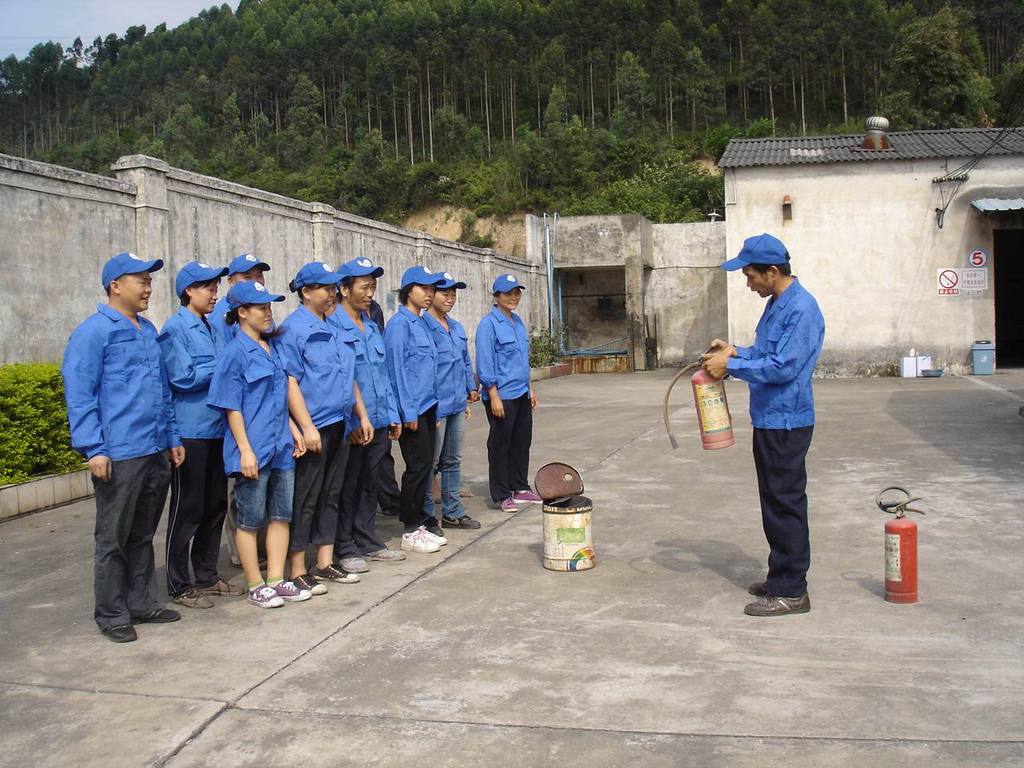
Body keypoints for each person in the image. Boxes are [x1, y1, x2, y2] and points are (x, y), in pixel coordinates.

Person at [62, 251, 185, 643]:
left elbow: (162, 392)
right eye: (141, 280)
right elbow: (80, 394)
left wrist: (171, 438)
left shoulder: (147, 330)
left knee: (142, 533)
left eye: (149, 281)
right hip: (119, 452)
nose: (148, 287)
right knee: (112, 536)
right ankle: (112, 613)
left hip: (153, 449)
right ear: (115, 286)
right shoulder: (93, 333)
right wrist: (94, 448)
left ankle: (142, 602)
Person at [701, 233, 825, 617]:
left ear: (772, 272)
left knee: (785, 502)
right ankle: (780, 577)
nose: (748, 282)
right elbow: (769, 353)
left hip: (787, 420)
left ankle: (792, 590)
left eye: (751, 275)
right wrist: (736, 352)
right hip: (770, 418)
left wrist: (731, 367)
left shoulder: (801, 309)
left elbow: (783, 367)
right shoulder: (777, 303)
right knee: (774, 501)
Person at [207, 280, 313, 609]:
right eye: (261, 308)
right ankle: (256, 583)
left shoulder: (273, 348)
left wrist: (294, 429)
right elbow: (231, 405)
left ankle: (277, 579)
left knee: (281, 515)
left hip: (280, 444)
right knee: (250, 519)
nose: (268, 313)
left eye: (270, 307)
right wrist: (245, 449)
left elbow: (279, 396)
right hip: (253, 447)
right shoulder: (234, 353)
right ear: (242, 313)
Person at [277, 262, 372, 593]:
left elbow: (350, 375)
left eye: (333, 287)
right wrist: (306, 427)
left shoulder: (336, 326)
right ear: (305, 292)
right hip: (315, 426)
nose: (331, 293)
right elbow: (290, 382)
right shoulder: (293, 330)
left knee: (332, 492)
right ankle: (298, 567)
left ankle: (325, 561)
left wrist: (362, 415)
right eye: (324, 288)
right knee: (306, 497)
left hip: (341, 421)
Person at [158, 260, 244, 610]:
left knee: (215, 505)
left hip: (216, 429)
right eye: (208, 287)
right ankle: (179, 583)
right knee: (187, 507)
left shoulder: (212, 327)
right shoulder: (174, 328)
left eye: (215, 287)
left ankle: (207, 576)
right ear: (188, 291)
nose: (214, 294)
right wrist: (221, 367)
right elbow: (182, 377)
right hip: (191, 431)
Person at [331, 257, 407, 569]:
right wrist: (353, 418)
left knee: (369, 483)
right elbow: (341, 378)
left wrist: (391, 414)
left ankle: (367, 538)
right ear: (344, 290)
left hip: (377, 419)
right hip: (351, 423)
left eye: (373, 287)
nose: (370, 293)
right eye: (364, 287)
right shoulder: (334, 326)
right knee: (347, 485)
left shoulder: (373, 327)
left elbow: (383, 374)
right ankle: (344, 546)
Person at [213, 253, 272, 566]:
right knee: (240, 491)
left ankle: (260, 550)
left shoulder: (260, 315)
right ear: (232, 281)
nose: (256, 280)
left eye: (259, 275)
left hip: (262, 418)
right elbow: (227, 374)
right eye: (248, 276)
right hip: (235, 415)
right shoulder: (224, 318)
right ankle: (242, 553)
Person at [384, 266, 448, 554]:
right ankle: (409, 527)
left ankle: (421, 520)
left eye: (432, 289)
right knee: (416, 468)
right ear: (408, 291)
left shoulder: (421, 322)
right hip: (412, 409)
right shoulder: (399, 325)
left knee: (425, 467)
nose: (429, 294)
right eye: (424, 289)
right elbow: (396, 370)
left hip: (427, 406)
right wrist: (406, 412)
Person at [476, 274, 542, 513]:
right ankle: (502, 494)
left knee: (521, 441)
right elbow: (485, 362)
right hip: (501, 396)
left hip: (521, 392)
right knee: (500, 444)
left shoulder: (517, 321)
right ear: (496, 296)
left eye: (516, 293)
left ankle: (520, 486)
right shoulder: (489, 324)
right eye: (507, 293)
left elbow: (522, 360)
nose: (513, 298)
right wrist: (493, 394)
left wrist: (530, 389)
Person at [421, 273, 480, 529]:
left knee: (452, 460)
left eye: (453, 294)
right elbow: (425, 371)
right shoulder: (423, 328)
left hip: (456, 403)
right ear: (431, 294)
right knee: (431, 463)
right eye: (445, 293)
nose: (450, 298)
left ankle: (452, 511)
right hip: (436, 406)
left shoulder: (455, 327)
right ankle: (426, 516)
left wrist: (470, 389)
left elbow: (464, 360)